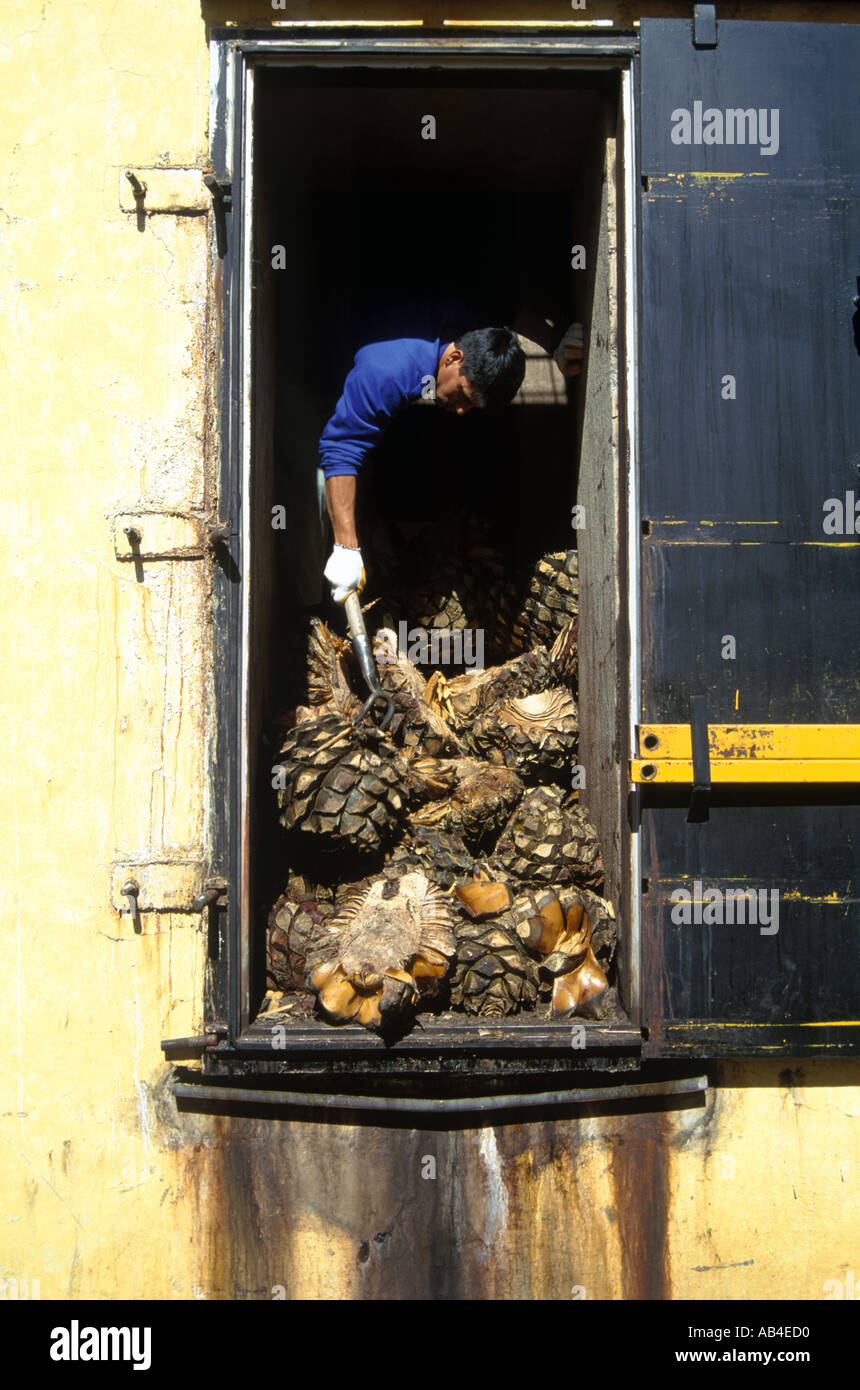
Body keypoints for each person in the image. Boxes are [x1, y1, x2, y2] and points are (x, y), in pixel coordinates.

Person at [319, 326, 526, 600]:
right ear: (453, 358)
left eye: (473, 406)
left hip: (359, 435)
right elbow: (341, 449)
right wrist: (346, 548)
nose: (463, 410)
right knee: (311, 529)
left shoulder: (434, 374)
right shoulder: (388, 373)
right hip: (316, 418)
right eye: (464, 395)